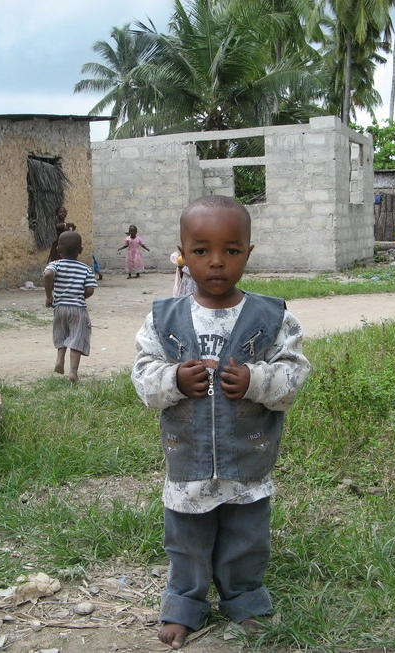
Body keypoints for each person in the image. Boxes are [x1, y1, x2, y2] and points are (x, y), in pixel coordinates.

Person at [131, 195, 311, 649]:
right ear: (182, 254)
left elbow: (293, 376)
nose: (216, 262)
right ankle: (184, 604)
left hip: (247, 460)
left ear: (248, 252)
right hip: (187, 462)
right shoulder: (162, 318)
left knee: (247, 538)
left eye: (231, 251)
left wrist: (256, 379)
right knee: (186, 542)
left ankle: (245, 598)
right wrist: (173, 378)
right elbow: (142, 376)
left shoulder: (274, 318)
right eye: (201, 250)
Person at [43, 230, 97, 382]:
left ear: (58, 250)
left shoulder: (55, 265)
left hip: (59, 307)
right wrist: (81, 296)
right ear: (80, 250)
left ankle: (60, 360)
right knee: (76, 338)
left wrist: (49, 296)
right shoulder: (85, 269)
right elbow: (90, 290)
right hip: (78, 309)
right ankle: (73, 372)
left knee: (61, 334)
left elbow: (47, 275)